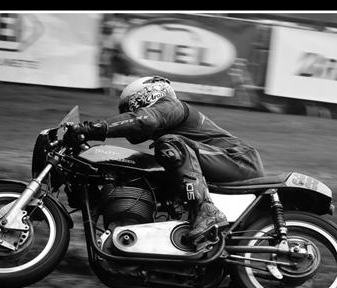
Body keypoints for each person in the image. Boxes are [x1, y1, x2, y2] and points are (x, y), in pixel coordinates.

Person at [63, 76, 265, 248]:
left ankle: (207, 212)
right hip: (224, 161)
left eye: (129, 109)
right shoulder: (170, 126)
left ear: (145, 97)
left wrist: (90, 129)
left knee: (169, 144)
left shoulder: (172, 106)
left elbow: (145, 120)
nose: (128, 115)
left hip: (238, 158)